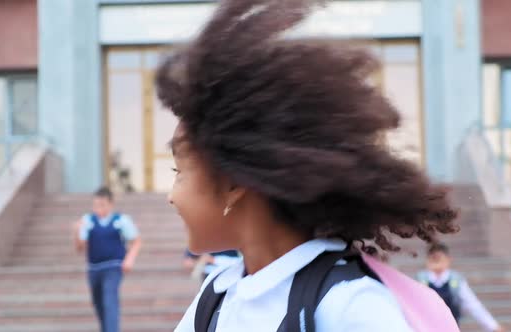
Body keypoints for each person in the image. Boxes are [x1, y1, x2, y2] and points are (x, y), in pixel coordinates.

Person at [156, 0, 459, 330]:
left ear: (232, 184)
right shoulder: (215, 297)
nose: (172, 196)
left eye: (180, 172)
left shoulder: (349, 307)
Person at [72, 187, 142, 332]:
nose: (98, 208)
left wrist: (129, 259)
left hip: (114, 266)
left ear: (111, 204)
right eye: (96, 205)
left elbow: (136, 241)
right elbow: (79, 248)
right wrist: (76, 232)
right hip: (94, 269)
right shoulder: (87, 220)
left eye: (102, 205)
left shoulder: (121, 220)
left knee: (110, 299)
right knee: (98, 303)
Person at [417, 243, 505, 332]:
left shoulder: (456, 280)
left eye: (439, 258)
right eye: (433, 258)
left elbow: (472, 304)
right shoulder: (420, 280)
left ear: (448, 259)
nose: (436, 261)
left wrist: (493, 326)